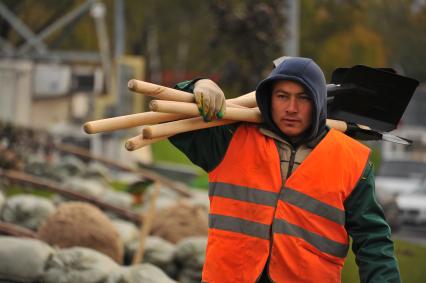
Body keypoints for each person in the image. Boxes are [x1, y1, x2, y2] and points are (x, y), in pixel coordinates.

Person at [169, 57, 400, 283]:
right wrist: (197, 86)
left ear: (319, 102)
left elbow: (373, 240)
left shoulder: (351, 161)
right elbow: (168, 121)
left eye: (303, 98)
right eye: (282, 97)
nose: (291, 108)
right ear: (268, 99)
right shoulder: (230, 140)